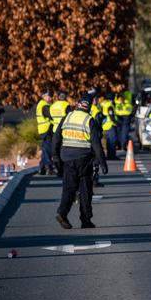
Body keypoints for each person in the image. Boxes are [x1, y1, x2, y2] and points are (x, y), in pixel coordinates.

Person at [52, 96, 108, 229]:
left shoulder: (68, 117)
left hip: (67, 158)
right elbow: (96, 145)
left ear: (77, 104)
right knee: (85, 191)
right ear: (89, 107)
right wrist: (103, 164)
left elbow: (56, 138)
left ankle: (62, 212)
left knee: (69, 189)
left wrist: (54, 155)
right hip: (84, 160)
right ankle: (85, 219)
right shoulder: (89, 120)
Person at [49, 91, 71, 176]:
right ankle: (64, 169)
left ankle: (58, 170)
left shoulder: (53, 106)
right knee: (63, 150)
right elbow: (69, 117)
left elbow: (51, 117)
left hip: (55, 130)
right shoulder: (66, 105)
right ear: (65, 97)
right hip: (64, 130)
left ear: (58, 97)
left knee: (56, 151)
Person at [36, 90, 53, 175]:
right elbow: (50, 116)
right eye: (49, 96)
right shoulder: (44, 106)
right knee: (48, 149)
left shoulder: (41, 104)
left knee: (45, 148)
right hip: (46, 129)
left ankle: (42, 168)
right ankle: (48, 167)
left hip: (43, 129)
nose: (51, 98)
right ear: (44, 96)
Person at [101, 93, 119, 160]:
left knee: (108, 142)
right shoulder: (110, 105)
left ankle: (109, 155)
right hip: (110, 125)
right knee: (112, 142)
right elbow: (111, 115)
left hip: (104, 125)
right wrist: (116, 122)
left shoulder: (103, 103)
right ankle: (112, 156)